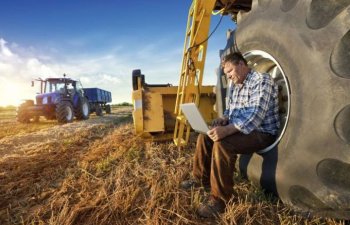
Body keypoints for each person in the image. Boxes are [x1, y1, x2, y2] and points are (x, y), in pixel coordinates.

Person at [181, 52, 280, 218]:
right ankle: (200, 179)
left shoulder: (262, 80)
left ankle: (220, 199)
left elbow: (255, 115)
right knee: (205, 137)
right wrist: (223, 119)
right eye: (226, 73)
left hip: (262, 132)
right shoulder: (235, 84)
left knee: (222, 143)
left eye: (230, 71)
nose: (228, 76)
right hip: (241, 129)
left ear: (242, 64)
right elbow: (231, 109)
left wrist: (226, 130)